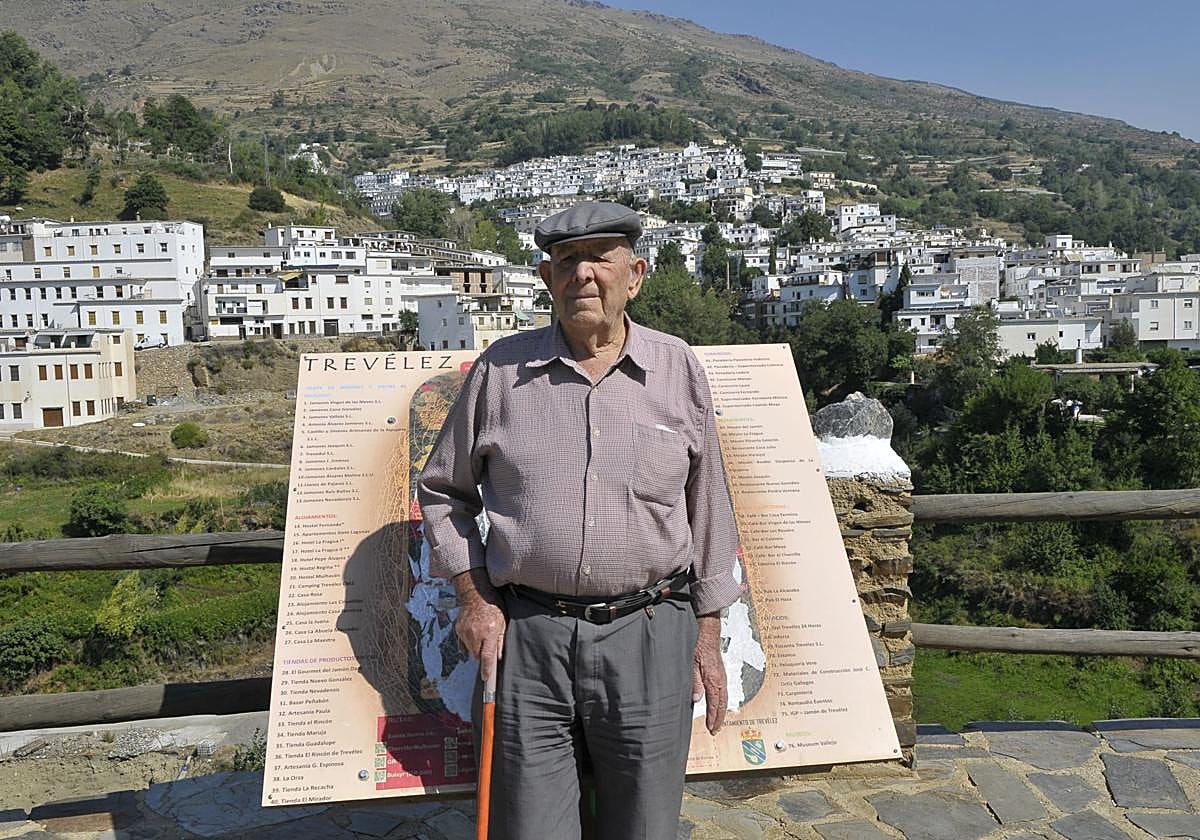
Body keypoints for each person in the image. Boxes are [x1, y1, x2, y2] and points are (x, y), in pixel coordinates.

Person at [418, 201, 742, 840]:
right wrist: (473, 596)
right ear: (546, 277)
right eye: (567, 261)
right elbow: (442, 492)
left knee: (645, 828)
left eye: (600, 258)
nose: (583, 274)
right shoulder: (500, 374)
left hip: (652, 633)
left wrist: (707, 632)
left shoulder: (677, 368)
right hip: (529, 638)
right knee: (530, 829)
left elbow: (709, 508)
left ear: (636, 275)